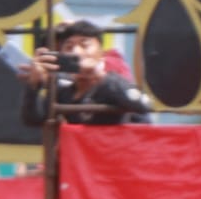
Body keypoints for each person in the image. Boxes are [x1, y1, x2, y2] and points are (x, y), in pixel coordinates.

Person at [17, 19, 154, 127]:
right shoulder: (64, 92)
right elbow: (33, 119)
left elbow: (144, 104)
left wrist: (98, 75)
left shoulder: (110, 84)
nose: (76, 52)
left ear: (101, 53)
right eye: (69, 47)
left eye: (84, 45)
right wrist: (33, 86)